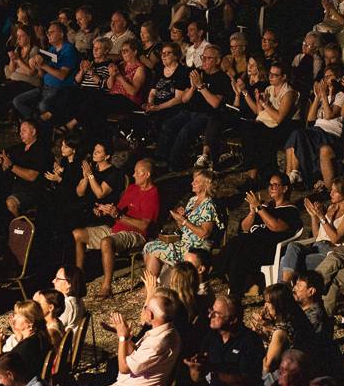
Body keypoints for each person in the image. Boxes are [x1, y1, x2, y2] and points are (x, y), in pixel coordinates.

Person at [73, 157, 160, 298]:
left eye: (137, 172)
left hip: (136, 234)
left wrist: (119, 216)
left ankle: (107, 287)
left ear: (147, 174)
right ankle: (78, 279)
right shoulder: (132, 188)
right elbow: (118, 210)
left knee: (107, 242)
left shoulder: (153, 194)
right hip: (116, 228)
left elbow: (144, 225)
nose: (133, 175)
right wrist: (105, 210)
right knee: (78, 234)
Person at [215, 173, 302, 298]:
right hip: (250, 246)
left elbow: (276, 226)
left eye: (275, 185)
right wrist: (252, 213)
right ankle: (234, 294)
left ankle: (217, 270)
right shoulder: (265, 207)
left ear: (285, 188)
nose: (271, 187)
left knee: (240, 243)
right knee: (238, 252)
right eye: (270, 185)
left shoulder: (290, 210)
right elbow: (244, 228)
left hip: (268, 250)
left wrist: (259, 209)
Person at [157, 45, 234, 170]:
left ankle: (174, 164)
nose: (204, 61)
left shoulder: (222, 78)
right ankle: (160, 159)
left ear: (218, 61)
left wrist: (201, 86)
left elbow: (215, 103)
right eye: (203, 57)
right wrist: (193, 87)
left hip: (206, 114)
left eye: (208, 58)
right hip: (189, 110)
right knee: (168, 125)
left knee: (185, 131)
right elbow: (184, 99)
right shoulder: (198, 73)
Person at [184, 294, 265, 386]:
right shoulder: (211, 337)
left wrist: (213, 370)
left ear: (233, 320)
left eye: (216, 314)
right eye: (211, 310)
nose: (210, 315)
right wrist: (196, 368)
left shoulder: (250, 341)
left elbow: (248, 383)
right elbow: (196, 378)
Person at [278, 178, 344, 284]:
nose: (331, 193)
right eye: (331, 190)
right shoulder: (330, 208)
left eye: (335, 191)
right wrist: (314, 217)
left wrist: (321, 217)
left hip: (331, 253)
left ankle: (281, 292)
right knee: (292, 246)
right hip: (317, 246)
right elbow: (317, 236)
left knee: (285, 261)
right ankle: (283, 290)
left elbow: (335, 239)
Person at [142, 168, 219, 273]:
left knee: (153, 249)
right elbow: (184, 228)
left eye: (196, 182)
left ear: (206, 185)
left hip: (196, 248)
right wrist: (179, 218)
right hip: (184, 243)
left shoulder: (208, 206)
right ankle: (156, 283)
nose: (192, 183)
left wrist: (184, 220)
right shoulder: (192, 201)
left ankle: (154, 284)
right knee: (149, 246)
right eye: (193, 180)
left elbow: (205, 233)